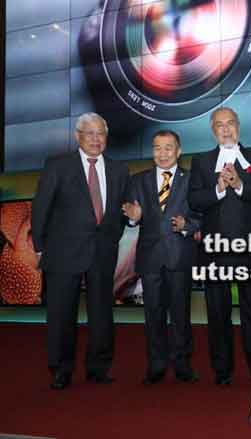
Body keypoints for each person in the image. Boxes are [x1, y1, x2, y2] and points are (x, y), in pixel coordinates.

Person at [31, 112, 130, 390]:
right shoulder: (58, 166)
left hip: (102, 252)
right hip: (62, 252)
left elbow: (122, 212)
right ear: (78, 136)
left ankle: (98, 367)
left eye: (101, 134)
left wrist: (115, 234)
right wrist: (40, 248)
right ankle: (61, 369)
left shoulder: (119, 169)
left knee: (101, 313)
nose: (96, 139)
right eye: (90, 133)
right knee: (62, 314)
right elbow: (41, 209)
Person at [188, 107, 251, 385]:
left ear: (238, 126)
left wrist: (239, 185)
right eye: (220, 125)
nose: (226, 129)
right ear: (213, 130)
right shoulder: (201, 162)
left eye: (230, 124)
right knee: (217, 313)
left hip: (248, 249)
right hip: (214, 252)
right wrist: (218, 189)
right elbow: (194, 201)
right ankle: (222, 371)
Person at [122, 130, 200, 385]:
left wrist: (187, 225)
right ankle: (156, 364)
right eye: (157, 148)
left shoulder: (192, 180)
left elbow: (202, 216)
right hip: (151, 258)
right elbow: (133, 217)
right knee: (153, 313)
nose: (163, 153)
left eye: (168, 148)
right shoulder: (138, 180)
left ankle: (182, 364)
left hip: (180, 255)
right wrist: (133, 216)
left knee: (180, 314)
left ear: (178, 151)